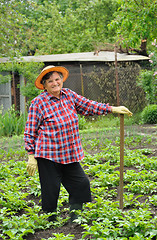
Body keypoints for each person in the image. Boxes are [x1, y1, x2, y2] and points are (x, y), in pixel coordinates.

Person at [24, 65, 132, 223]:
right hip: (48, 154)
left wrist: (112, 109)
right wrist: (31, 155)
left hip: (69, 152)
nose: (55, 83)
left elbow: (89, 105)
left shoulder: (69, 95)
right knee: (50, 189)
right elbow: (30, 131)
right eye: (50, 81)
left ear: (61, 80)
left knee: (81, 183)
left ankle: (75, 217)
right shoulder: (38, 103)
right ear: (45, 85)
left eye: (57, 79)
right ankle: (50, 220)